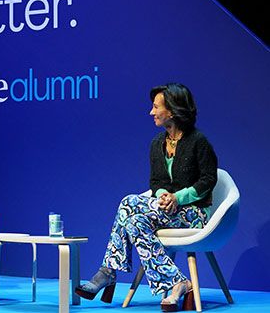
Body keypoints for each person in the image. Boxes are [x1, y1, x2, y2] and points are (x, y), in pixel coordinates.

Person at [74, 83, 218, 312]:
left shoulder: (198, 142)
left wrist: (177, 198)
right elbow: (157, 183)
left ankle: (108, 272)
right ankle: (178, 282)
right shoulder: (156, 143)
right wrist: (163, 196)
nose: (151, 112)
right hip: (166, 210)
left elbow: (208, 180)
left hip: (195, 213)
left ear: (172, 110)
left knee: (128, 202)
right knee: (133, 221)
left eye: (155, 107)